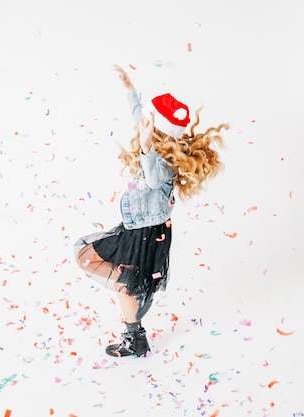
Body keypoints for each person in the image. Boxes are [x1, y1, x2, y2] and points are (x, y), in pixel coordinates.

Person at [74, 64, 228, 357]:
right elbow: (140, 119)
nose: (143, 125)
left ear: (157, 131)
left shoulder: (162, 160)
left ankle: (135, 334)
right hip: (138, 228)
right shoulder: (154, 137)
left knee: (111, 273)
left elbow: (154, 178)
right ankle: (133, 293)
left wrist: (146, 149)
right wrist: (129, 87)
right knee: (86, 256)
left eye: (148, 124)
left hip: (146, 233)